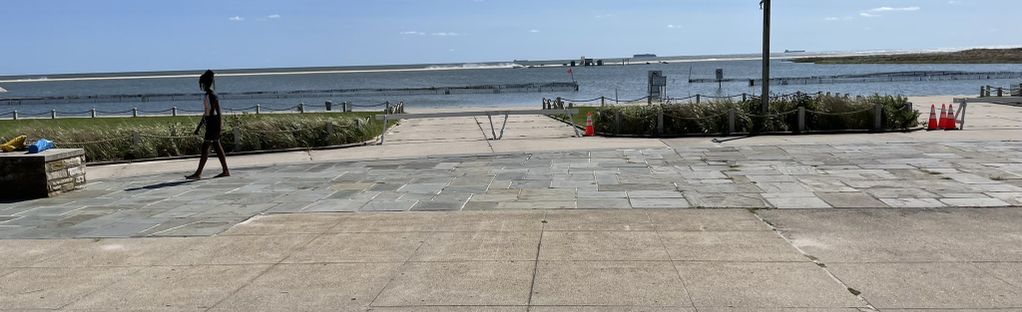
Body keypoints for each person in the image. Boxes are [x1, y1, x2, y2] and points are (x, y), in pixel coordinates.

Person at [186, 70, 230, 179]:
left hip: (213, 123)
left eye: (203, 84)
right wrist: (199, 126)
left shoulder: (212, 95)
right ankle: (225, 170)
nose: (202, 86)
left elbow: (218, 111)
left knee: (205, 148)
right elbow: (206, 112)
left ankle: (198, 173)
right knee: (217, 147)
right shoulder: (207, 95)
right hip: (210, 122)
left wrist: (219, 126)